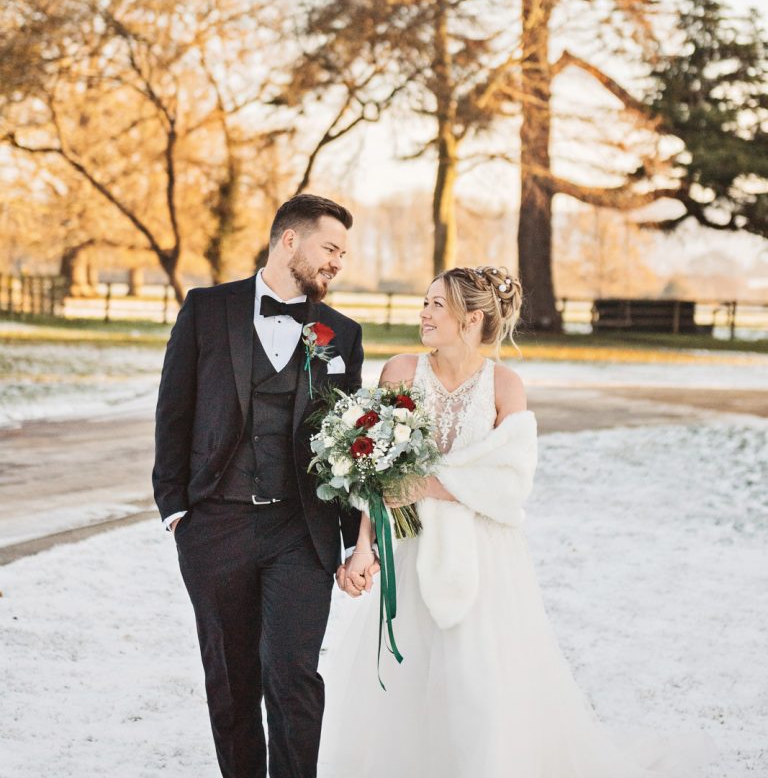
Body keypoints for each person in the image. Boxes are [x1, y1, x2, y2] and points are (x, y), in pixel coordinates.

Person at [319, 266, 712, 778]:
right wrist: (366, 546)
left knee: (478, 678)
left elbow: (509, 482)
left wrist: (427, 484)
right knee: (406, 673)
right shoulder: (399, 371)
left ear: (472, 317)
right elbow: (376, 470)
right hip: (411, 543)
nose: (424, 312)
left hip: (486, 555)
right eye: (425, 301)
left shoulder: (504, 385)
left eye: (437, 304)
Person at [153, 193, 366, 778]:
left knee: (294, 674)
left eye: (343, 254)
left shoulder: (341, 333)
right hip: (214, 524)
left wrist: (355, 540)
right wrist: (175, 509)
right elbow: (174, 411)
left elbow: (348, 442)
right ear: (289, 241)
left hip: (300, 530)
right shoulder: (206, 309)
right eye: (330, 248)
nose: (336, 263)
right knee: (230, 675)